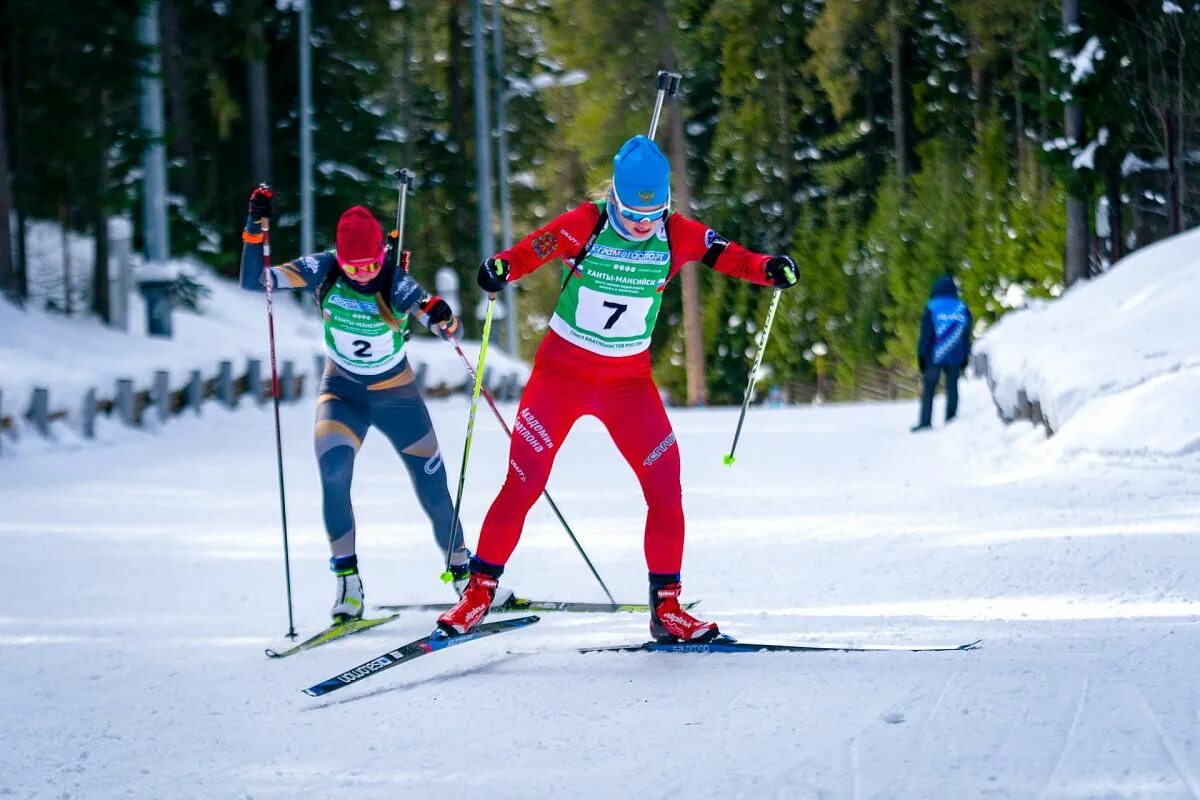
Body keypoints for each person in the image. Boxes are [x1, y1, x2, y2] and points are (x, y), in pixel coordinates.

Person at [437, 135, 799, 643]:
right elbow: (533, 249)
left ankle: (667, 608)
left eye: (653, 215)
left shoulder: (678, 235)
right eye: (631, 214)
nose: (642, 225)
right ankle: (478, 592)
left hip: (629, 383)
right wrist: (502, 268)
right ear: (614, 199)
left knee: (666, 484)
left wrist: (767, 269)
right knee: (524, 480)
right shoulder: (585, 224)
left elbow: (731, 256)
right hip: (561, 376)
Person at [239, 185, 473, 623]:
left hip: (396, 395)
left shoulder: (393, 279)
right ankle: (348, 583)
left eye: (370, 264)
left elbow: (435, 314)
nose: (363, 273)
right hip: (342, 393)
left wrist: (444, 317)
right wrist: (257, 227)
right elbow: (258, 280)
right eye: (354, 266)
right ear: (339, 258)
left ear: (382, 254)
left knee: (433, 489)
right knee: (333, 473)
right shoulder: (323, 268)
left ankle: (463, 573)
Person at [912, 274, 972, 432]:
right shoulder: (962, 308)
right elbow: (966, 335)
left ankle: (925, 422)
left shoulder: (932, 307)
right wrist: (966, 355)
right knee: (952, 387)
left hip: (934, 355)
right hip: (956, 354)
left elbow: (926, 334)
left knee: (929, 388)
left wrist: (921, 356)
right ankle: (951, 419)